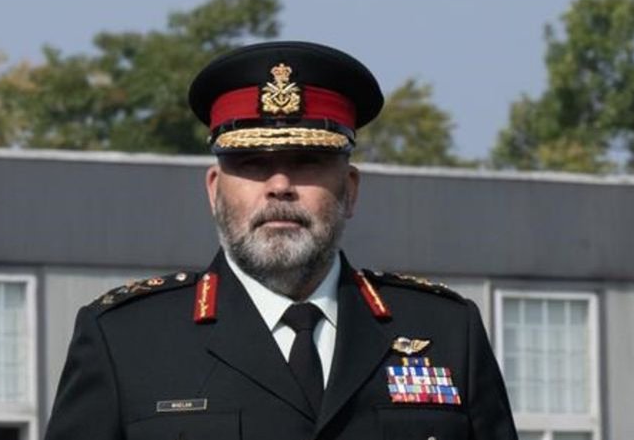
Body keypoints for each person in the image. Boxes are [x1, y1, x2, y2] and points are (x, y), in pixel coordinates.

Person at [45, 41, 518, 440]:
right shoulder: (126, 341)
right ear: (214, 190)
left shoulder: (447, 333)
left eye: (307, 162)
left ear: (350, 190)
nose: (279, 186)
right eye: (252, 165)